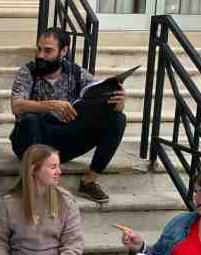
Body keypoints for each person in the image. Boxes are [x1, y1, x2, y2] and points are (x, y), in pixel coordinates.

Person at [9, 27, 127, 204]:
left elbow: (97, 92)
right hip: (30, 140)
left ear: (63, 51)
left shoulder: (77, 73)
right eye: (39, 49)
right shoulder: (28, 71)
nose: (41, 55)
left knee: (118, 119)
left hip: (64, 140)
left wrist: (118, 101)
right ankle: (35, 185)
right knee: (30, 118)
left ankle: (89, 181)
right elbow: (16, 106)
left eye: (48, 51)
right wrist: (51, 106)